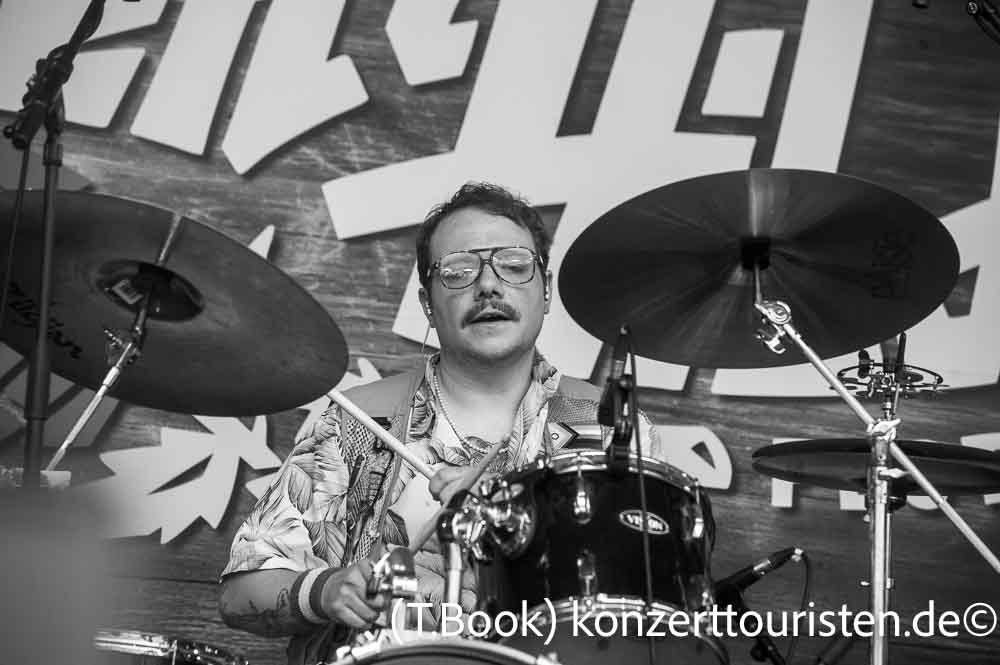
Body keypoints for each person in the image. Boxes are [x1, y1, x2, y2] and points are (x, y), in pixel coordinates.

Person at [218, 182, 665, 664]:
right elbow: (240, 594)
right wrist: (323, 591)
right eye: (458, 271)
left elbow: (654, 615)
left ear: (546, 290)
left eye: (515, 265)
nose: (488, 285)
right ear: (427, 303)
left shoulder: (613, 431)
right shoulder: (357, 422)